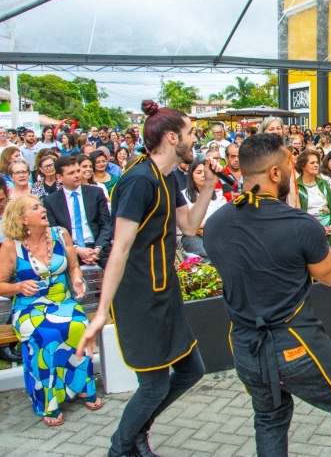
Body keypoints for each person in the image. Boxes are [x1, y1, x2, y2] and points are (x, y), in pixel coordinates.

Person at [201, 132, 331, 456]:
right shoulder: (299, 224)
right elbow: (330, 276)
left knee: (270, 417)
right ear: (274, 174)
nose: (292, 173)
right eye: (288, 165)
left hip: (245, 348)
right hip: (294, 346)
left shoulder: (215, 225)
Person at [76, 100, 224, 457]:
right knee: (154, 387)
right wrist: (101, 314)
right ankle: (122, 447)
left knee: (192, 371)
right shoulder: (138, 181)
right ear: (173, 138)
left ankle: (136, 435)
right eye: (190, 133)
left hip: (164, 291)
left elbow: (189, 225)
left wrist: (208, 188)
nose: (195, 138)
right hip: (139, 297)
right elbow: (120, 249)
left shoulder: (170, 175)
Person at [0, 195, 103, 426]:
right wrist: (17, 286)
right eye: (35, 207)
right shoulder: (10, 246)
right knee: (44, 335)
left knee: (79, 325)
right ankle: (48, 400)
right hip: (29, 306)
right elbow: (1, 285)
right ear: (23, 219)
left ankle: (82, 387)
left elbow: (74, 267)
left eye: (41, 205)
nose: (43, 209)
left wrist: (77, 281)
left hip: (63, 301)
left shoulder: (60, 234)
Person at [44, 155, 113, 268]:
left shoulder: (96, 193)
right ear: (59, 177)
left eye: (78, 171)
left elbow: (106, 224)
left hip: (97, 246)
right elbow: (54, 232)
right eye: (71, 173)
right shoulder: (51, 201)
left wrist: (97, 249)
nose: (77, 175)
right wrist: (77, 249)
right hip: (69, 248)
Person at [296, 149, 331, 252]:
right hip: (310, 226)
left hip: (330, 225)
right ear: (302, 166)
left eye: (317, 162)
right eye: (312, 163)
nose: (316, 165)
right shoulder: (297, 186)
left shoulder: (323, 183)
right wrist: (319, 227)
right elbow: (298, 213)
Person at [180, 157, 227, 259]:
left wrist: (205, 227)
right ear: (191, 174)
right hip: (194, 236)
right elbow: (187, 222)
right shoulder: (183, 196)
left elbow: (224, 220)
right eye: (199, 172)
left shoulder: (218, 195)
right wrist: (201, 227)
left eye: (205, 172)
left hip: (216, 234)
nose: (203, 175)